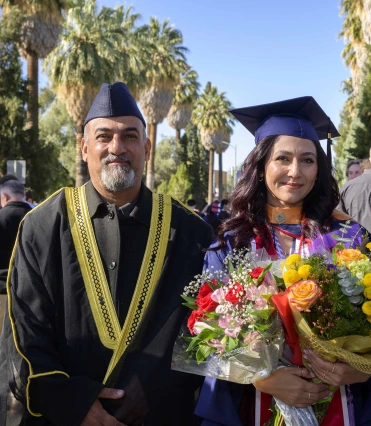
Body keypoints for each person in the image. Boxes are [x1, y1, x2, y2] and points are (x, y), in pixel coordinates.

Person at [0, 82, 214, 425]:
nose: (117, 147)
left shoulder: (191, 232)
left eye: (130, 136)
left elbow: (202, 329)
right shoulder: (41, 227)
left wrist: (153, 390)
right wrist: (75, 403)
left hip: (160, 415)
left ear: (146, 146)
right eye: (104, 137)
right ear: (85, 148)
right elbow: (25, 332)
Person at [195, 96, 371, 426]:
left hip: (344, 406)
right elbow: (206, 331)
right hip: (250, 407)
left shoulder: (348, 237)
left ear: (319, 169)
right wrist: (259, 377)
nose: (295, 172)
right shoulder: (232, 243)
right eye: (282, 159)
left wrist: (362, 369)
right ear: (260, 167)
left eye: (307, 160)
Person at [0, 180, 31, 331]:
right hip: (32, 296)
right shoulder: (38, 218)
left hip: (2, 291)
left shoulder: (1, 218)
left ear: (4, 196)